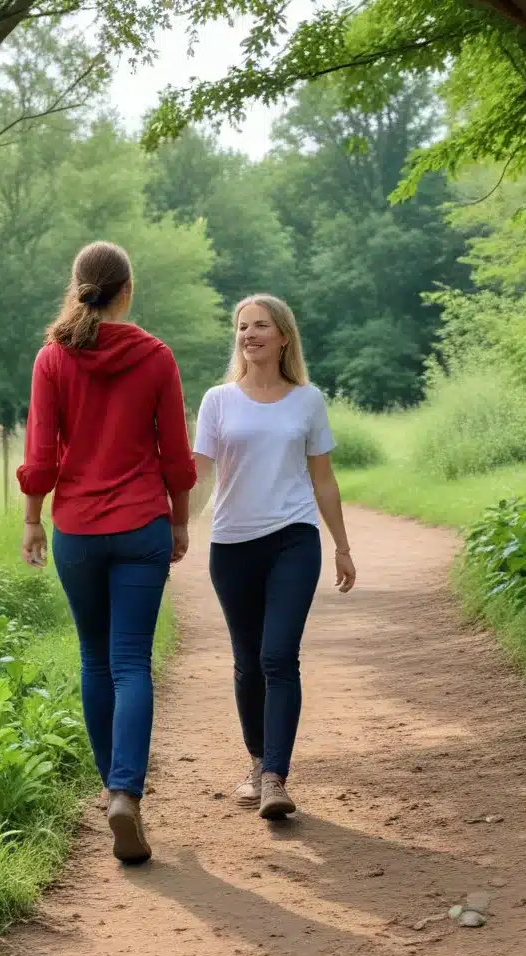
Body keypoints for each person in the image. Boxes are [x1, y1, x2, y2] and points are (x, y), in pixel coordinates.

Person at [17, 241, 196, 865]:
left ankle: (111, 791)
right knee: (130, 663)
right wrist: (178, 520)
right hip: (142, 524)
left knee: (95, 659)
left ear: (77, 287)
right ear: (129, 288)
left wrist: (34, 520)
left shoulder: (52, 359)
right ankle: (126, 790)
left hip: (78, 531)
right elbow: (175, 452)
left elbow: (41, 454)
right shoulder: (156, 357)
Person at [192, 294, 356, 821]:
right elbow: (199, 475)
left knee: (277, 656)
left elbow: (324, 480)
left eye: (261, 326)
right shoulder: (218, 400)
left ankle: (274, 778)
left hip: (294, 538)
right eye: (243, 327)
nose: (250, 334)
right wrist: (175, 527)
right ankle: (258, 758)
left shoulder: (307, 400)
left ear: (283, 336)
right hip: (232, 543)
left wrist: (342, 546)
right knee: (247, 662)